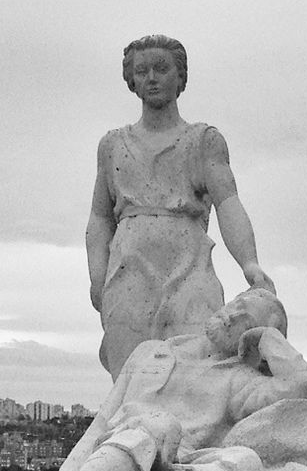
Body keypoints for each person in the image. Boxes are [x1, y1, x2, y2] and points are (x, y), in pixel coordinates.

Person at [88, 34, 275, 379]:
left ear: (180, 77)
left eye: (162, 68)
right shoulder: (112, 145)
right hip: (129, 269)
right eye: (142, 71)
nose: (152, 78)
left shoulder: (203, 141)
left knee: (196, 373)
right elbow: (100, 218)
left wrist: (250, 263)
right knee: (131, 381)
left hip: (189, 265)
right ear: (131, 80)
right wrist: (97, 276)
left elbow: (228, 202)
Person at [44, 287, 307, 471]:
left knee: (247, 461)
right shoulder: (151, 352)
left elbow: (298, 384)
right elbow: (102, 421)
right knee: (160, 423)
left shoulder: (240, 381)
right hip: (125, 444)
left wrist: (269, 338)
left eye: (246, 322)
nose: (231, 315)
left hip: (181, 468)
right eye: (236, 304)